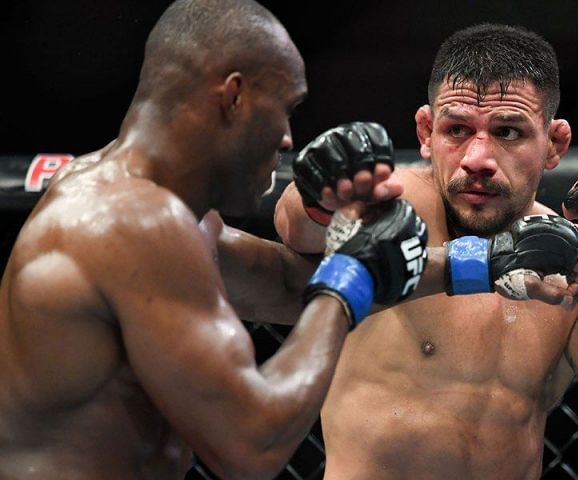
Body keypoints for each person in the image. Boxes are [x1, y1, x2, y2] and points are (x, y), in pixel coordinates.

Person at [0, 1, 429, 479]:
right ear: (234, 97)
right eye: (286, 109)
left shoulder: (166, 214)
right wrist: (350, 273)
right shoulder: (133, 221)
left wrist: (465, 263)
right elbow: (252, 444)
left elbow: (287, 285)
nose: (288, 139)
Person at [274, 24, 578, 479]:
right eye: (458, 130)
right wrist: (320, 191)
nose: (477, 159)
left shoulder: (573, 261)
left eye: (507, 132)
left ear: (554, 144)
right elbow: (296, 227)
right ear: (427, 132)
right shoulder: (399, 204)